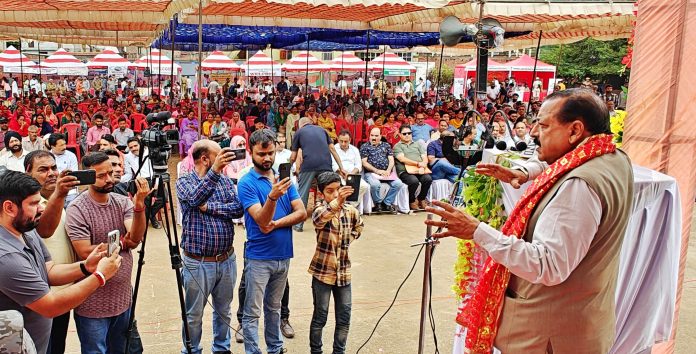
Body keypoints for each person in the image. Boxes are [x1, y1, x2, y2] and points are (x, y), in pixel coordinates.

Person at [425, 89, 633, 353]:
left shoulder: (577, 186)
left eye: (544, 125)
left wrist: (477, 231)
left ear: (575, 130)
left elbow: (547, 265)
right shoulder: (611, 157)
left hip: (550, 336)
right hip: (583, 321)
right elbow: (553, 164)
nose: (534, 132)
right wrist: (524, 172)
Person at [0, 170, 122, 354]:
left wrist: (85, 267)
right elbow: (51, 306)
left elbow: (49, 271)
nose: (41, 208)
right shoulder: (6, 257)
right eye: (33, 204)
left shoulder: (26, 230)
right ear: (9, 208)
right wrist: (100, 276)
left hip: (36, 341)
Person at [65, 152, 151, 354]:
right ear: (87, 176)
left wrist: (139, 207)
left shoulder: (122, 201)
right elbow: (85, 251)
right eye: (101, 175)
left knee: (121, 350)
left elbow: (136, 238)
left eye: (111, 173)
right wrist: (123, 243)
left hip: (122, 299)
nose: (109, 179)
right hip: (92, 303)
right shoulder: (77, 208)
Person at [237, 129, 306, 354]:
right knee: (252, 311)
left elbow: (302, 212)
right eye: (261, 154)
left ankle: (275, 348)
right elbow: (261, 219)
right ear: (251, 152)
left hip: (283, 255)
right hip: (258, 257)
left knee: (275, 308)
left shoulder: (283, 177)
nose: (267, 158)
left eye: (271, 153)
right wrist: (273, 196)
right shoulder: (246, 183)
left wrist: (276, 224)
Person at [176, 140, 244, 354]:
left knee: (224, 311)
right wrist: (214, 172)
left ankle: (221, 349)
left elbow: (237, 209)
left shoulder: (224, 181)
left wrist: (210, 208)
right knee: (193, 315)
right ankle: (192, 350)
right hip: (197, 262)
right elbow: (196, 199)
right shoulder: (184, 181)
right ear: (205, 159)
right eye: (218, 156)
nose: (223, 160)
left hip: (226, 259)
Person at [23, 150, 80, 354]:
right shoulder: (30, 205)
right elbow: (45, 230)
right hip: (43, 296)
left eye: (54, 168)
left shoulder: (58, 200)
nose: (52, 173)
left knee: (57, 347)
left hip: (61, 292)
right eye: (43, 169)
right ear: (28, 172)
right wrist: (59, 194)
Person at [308, 172, 364, 354]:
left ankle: (338, 351)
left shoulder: (351, 211)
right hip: (322, 273)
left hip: (344, 273)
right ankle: (316, 351)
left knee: (344, 318)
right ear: (322, 194)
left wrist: (351, 238)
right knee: (320, 317)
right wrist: (336, 202)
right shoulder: (320, 209)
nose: (335, 194)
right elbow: (318, 219)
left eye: (338, 190)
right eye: (329, 191)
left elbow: (360, 225)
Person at [290, 117, 345, 232]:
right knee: (330, 192)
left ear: (300, 125)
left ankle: (298, 225)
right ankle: (334, 221)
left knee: (303, 194)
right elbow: (333, 149)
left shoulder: (299, 132)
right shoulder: (323, 130)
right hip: (325, 164)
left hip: (308, 165)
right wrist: (341, 167)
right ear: (311, 123)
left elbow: (293, 156)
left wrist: (288, 167)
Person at [360, 127, 403, 214]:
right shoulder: (365, 146)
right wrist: (377, 171)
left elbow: (391, 160)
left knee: (398, 184)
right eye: (372, 135)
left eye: (376, 135)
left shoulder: (386, 145)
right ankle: (378, 203)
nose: (373, 138)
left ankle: (387, 202)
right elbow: (364, 163)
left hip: (386, 173)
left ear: (380, 136)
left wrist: (388, 170)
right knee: (375, 184)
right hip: (372, 173)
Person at [393, 125, 432, 210]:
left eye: (409, 133)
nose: (407, 135)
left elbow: (424, 156)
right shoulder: (397, 146)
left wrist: (424, 165)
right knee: (414, 181)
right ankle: (411, 200)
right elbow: (402, 159)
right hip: (405, 171)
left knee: (428, 179)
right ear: (399, 135)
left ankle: (421, 199)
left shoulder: (417, 144)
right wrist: (418, 164)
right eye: (404, 133)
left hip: (419, 169)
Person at [331, 131, 369, 209]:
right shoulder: (334, 149)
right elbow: (333, 165)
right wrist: (342, 173)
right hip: (339, 174)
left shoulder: (354, 149)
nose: (343, 143)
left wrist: (351, 174)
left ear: (350, 140)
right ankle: (343, 205)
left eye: (346, 141)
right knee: (342, 186)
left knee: (364, 186)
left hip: (352, 175)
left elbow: (358, 165)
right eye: (341, 141)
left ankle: (349, 206)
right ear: (338, 139)